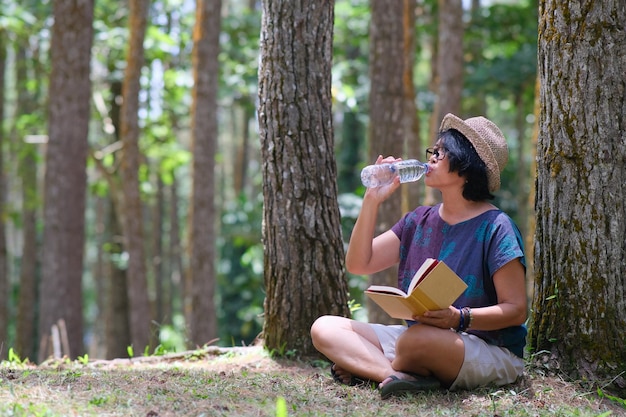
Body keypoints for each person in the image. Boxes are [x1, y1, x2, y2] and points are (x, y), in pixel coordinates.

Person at [310, 113, 527, 399]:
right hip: (420, 339)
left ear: (466, 164)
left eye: (441, 152)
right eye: (432, 151)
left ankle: (371, 367)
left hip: (485, 348)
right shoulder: (418, 220)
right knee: (324, 327)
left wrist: (459, 318)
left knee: (414, 342)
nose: (432, 158)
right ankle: (393, 375)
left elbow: (516, 309)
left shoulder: (497, 227)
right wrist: (372, 200)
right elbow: (359, 263)